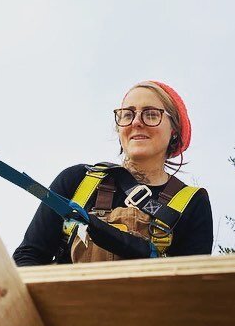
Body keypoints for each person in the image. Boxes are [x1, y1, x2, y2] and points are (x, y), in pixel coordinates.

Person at [13, 81, 213, 266]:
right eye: (127, 114)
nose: (136, 122)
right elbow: (28, 258)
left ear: (175, 130)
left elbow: (191, 289)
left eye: (151, 114)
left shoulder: (191, 203)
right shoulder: (77, 181)